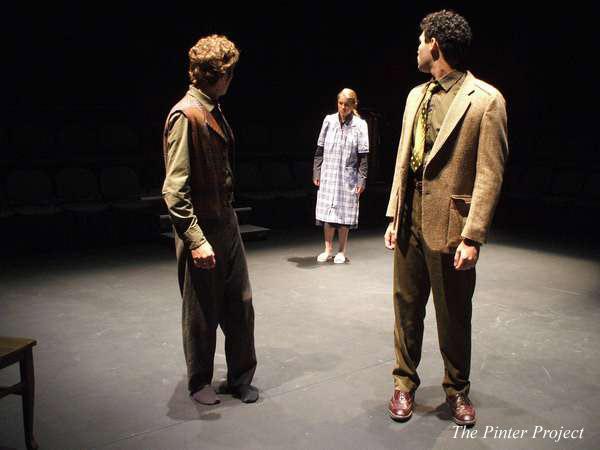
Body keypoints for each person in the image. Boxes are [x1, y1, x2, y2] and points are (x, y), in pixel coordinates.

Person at [384, 10, 508, 425]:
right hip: (410, 218)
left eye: (421, 41)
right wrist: (392, 214)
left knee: (453, 312)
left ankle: (457, 391)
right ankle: (404, 384)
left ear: (435, 45)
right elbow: (403, 159)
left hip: (452, 223)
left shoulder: (486, 100)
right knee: (405, 307)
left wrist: (474, 236)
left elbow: (490, 173)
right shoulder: (415, 96)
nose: (417, 48)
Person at [162, 34, 258, 405]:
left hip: (226, 220)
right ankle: (199, 381)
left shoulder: (212, 108)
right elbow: (174, 190)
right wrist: (195, 238)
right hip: (203, 225)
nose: (231, 80)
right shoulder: (186, 116)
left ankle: (240, 376)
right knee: (201, 309)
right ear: (217, 75)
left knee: (240, 302)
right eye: (229, 73)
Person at [313, 88, 369, 264]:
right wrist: (317, 171)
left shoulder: (360, 125)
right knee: (328, 212)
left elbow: (363, 156)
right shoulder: (328, 121)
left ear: (353, 105)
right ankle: (328, 249)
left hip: (348, 175)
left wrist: (362, 179)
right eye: (340, 103)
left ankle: (341, 251)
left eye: (347, 104)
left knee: (344, 214)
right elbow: (319, 150)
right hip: (329, 173)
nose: (343, 107)